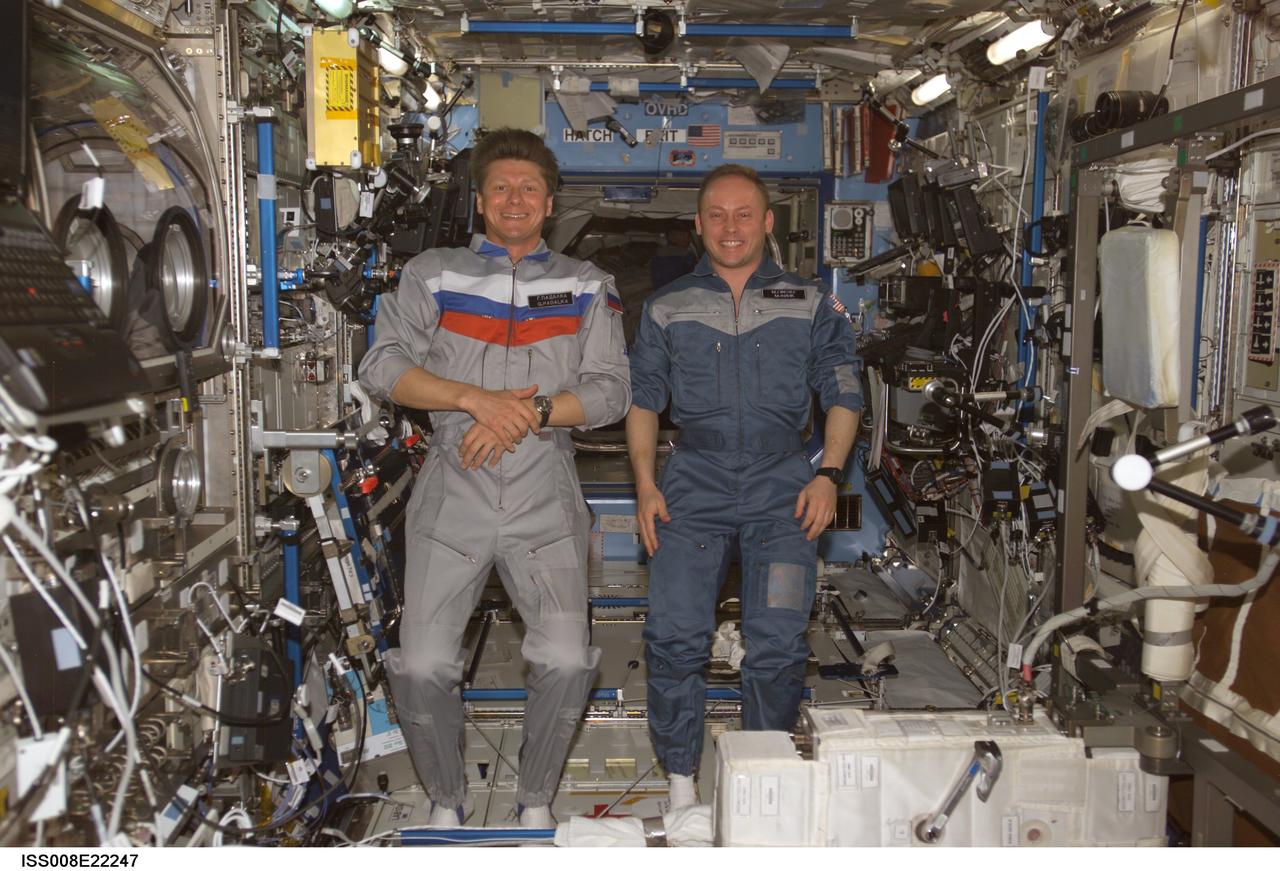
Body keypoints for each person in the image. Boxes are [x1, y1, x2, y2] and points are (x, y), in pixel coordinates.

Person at [359, 128, 631, 828]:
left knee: (569, 659)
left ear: (549, 203)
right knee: (420, 665)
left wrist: (531, 411)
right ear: (480, 201)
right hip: (454, 483)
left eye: (530, 189)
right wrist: (473, 400)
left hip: (545, 488)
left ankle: (535, 798)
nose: (516, 199)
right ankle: (446, 799)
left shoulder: (586, 284)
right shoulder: (431, 274)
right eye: (502, 187)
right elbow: (382, 366)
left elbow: (609, 394)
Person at [625, 164, 862, 808]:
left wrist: (828, 474)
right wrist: (646, 486)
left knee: (779, 642)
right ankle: (681, 783)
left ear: (766, 222)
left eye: (744, 214)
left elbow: (844, 390)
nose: (731, 228)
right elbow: (643, 400)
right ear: (699, 225)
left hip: (784, 487)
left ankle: (763, 779)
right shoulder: (668, 306)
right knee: (674, 637)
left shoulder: (811, 301)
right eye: (717, 216)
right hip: (692, 484)